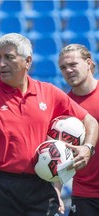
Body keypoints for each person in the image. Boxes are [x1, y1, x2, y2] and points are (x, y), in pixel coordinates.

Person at [0, 33, 98, 216]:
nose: (1, 64)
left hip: (41, 184)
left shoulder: (48, 92)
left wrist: (88, 148)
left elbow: (89, 121)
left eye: (9, 57)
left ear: (27, 61)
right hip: (0, 187)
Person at [58, 44, 99, 216]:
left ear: (88, 63)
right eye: (63, 67)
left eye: (73, 64)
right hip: (84, 196)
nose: (68, 70)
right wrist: (57, 191)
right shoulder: (62, 107)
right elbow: (58, 154)